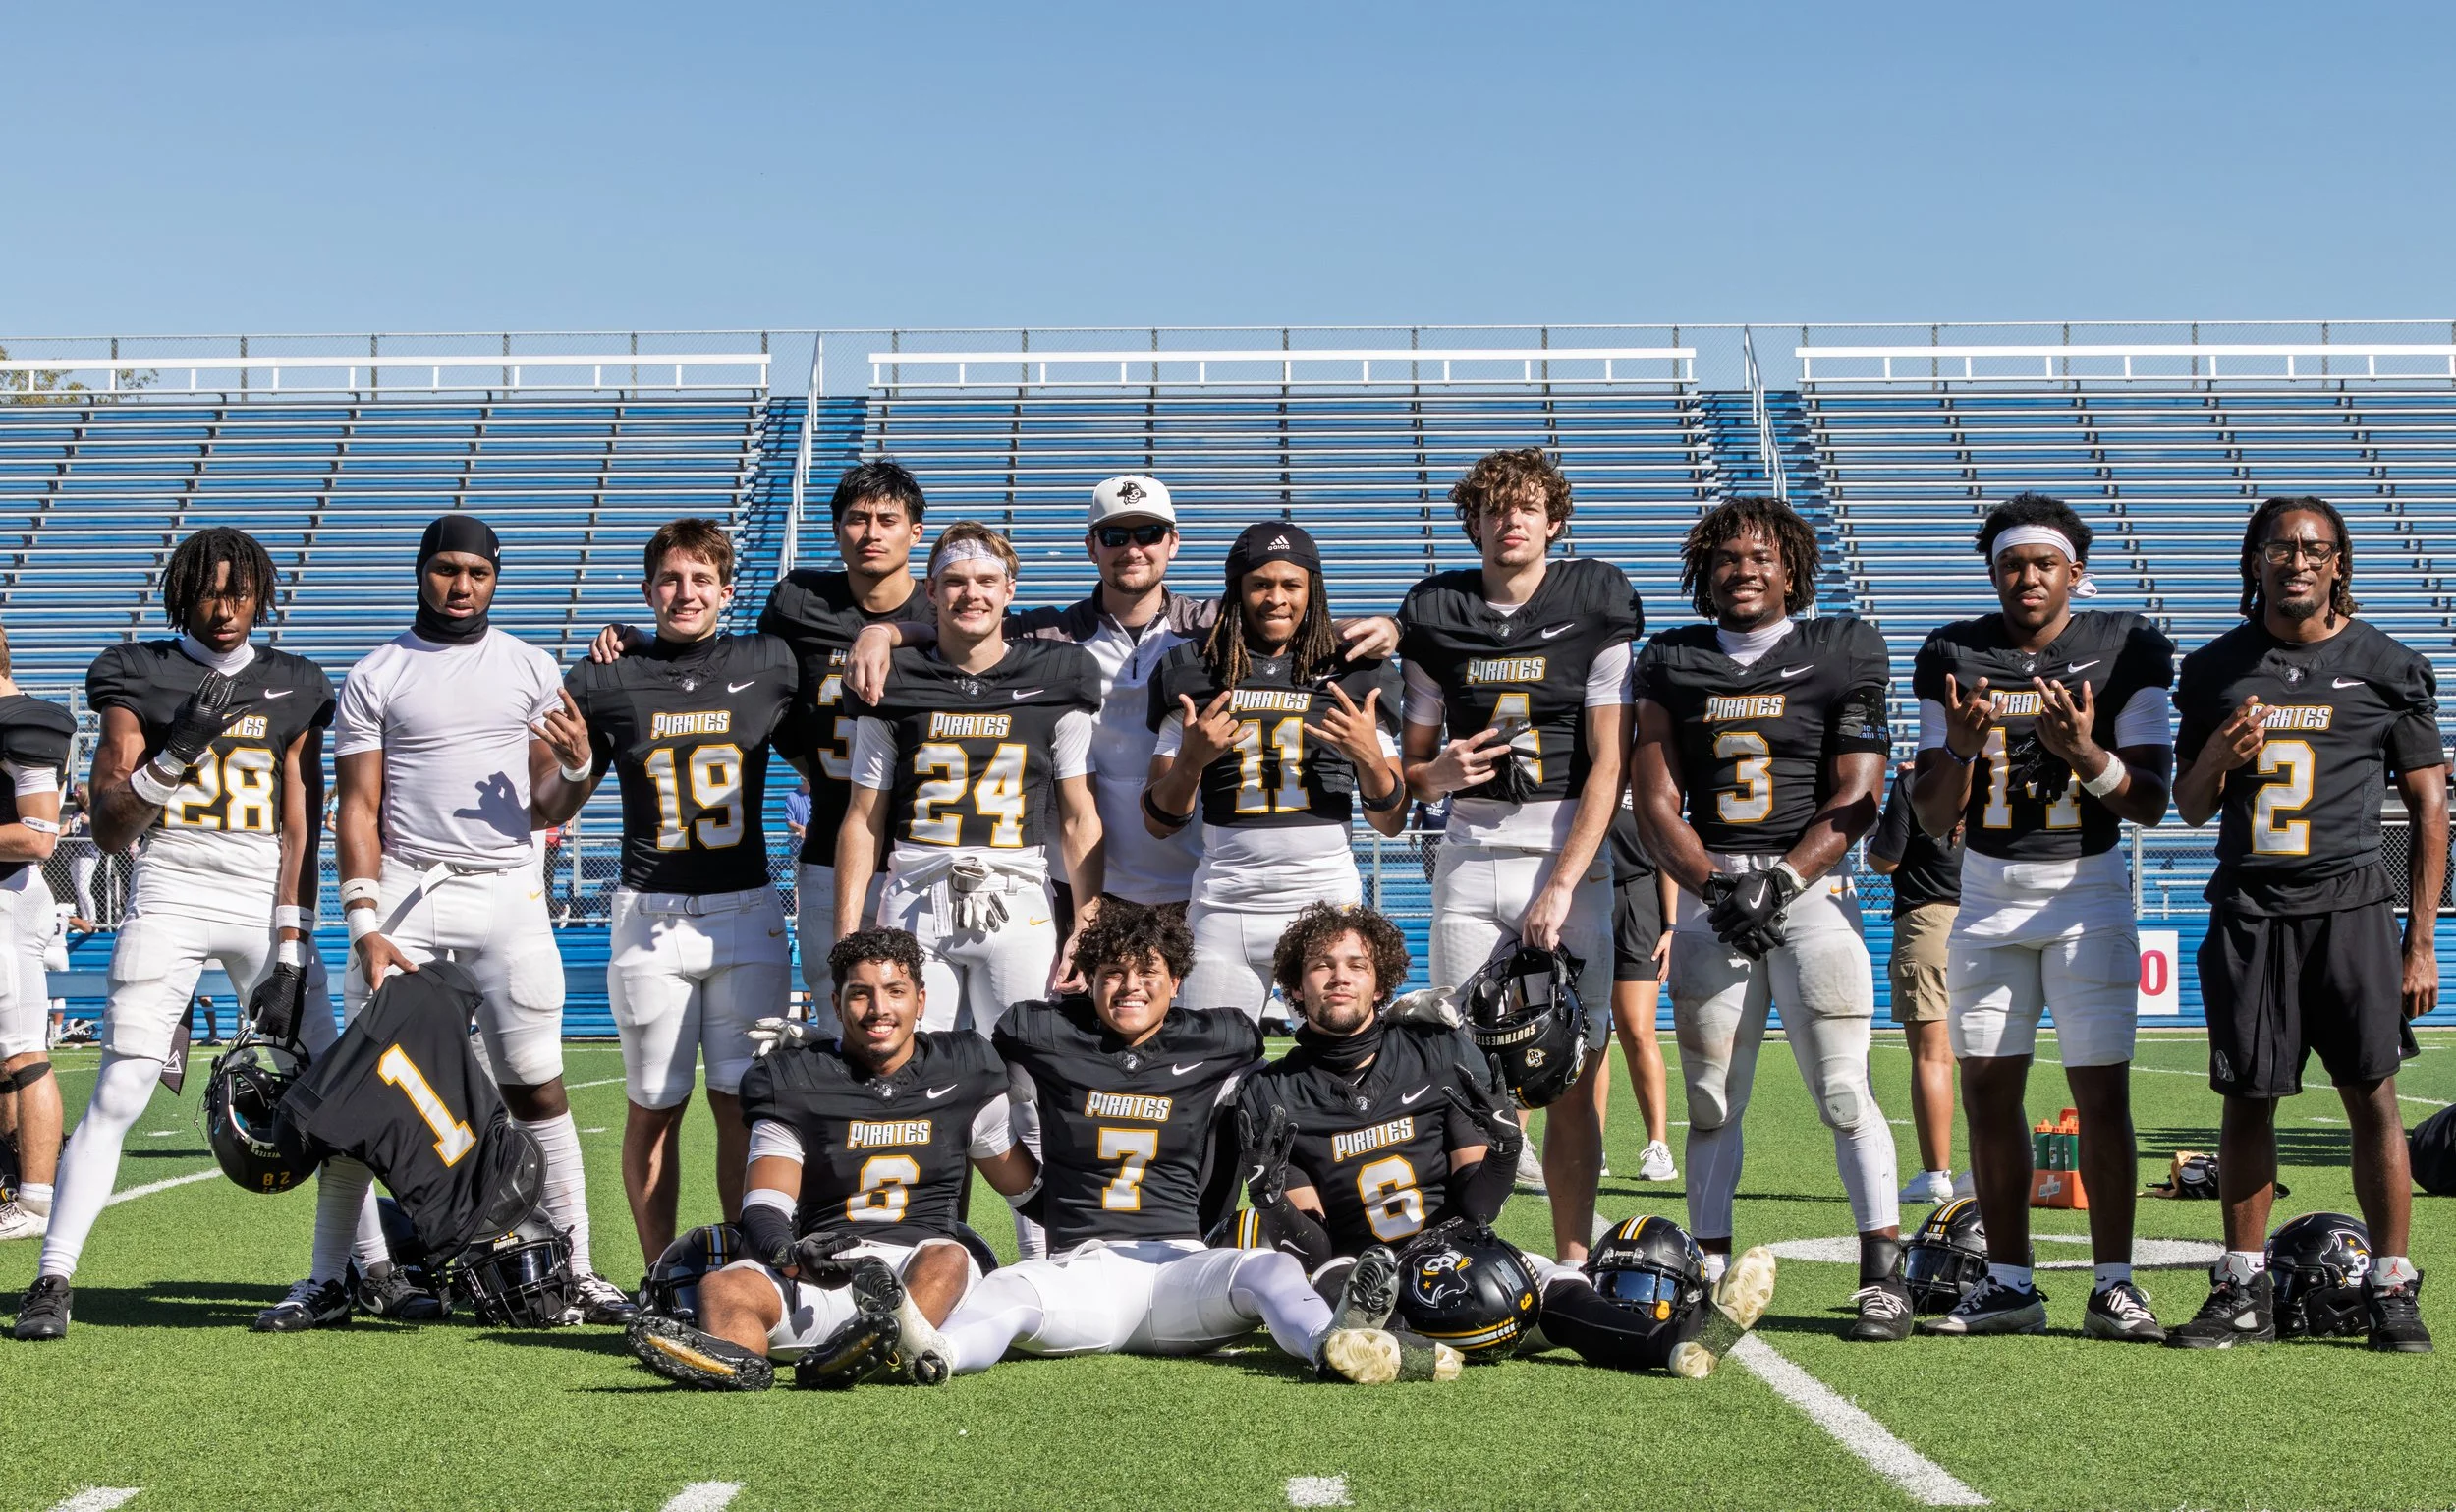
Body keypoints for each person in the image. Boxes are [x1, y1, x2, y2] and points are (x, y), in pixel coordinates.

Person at [14, 528, 382, 1339]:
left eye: (242, 592)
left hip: (261, 891)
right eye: (212, 591)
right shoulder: (136, 671)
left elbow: (301, 826)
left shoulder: (293, 682)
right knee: (120, 1088)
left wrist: (291, 945)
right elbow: (111, 828)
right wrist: (171, 753)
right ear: (181, 593)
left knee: (330, 1083)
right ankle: (52, 1277)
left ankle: (375, 1265)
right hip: (172, 880)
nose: (227, 608)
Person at [1234, 901, 1774, 1377]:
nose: (1339, 978)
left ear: (1382, 981)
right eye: (1321, 966)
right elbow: (1318, 1246)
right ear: (1295, 985)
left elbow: (1476, 1208)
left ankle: (1680, 1344)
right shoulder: (1272, 1089)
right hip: (1363, 1268)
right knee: (1337, 1280)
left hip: (1454, 1248)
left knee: (1555, 1282)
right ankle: (1403, 1351)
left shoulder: (1434, 1052)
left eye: (1357, 965)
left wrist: (1506, 1149)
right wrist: (1271, 1200)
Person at [909, 902, 1441, 1385]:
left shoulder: (1218, 1038)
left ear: (1176, 981)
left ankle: (1333, 1345)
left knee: (1268, 1267)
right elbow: (970, 1088)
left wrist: (1395, 1026)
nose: (1129, 986)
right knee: (1007, 1290)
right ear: (1088, 979)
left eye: (1147, 972)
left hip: (1180, 1267)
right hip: (1078, 1271)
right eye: (1112, 972)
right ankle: (933, 1353)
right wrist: (1032, 1196)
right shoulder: (1042, 1032)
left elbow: (1287, 1075)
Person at [846, 476, 1401, 925]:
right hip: (1080, 872)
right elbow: (966, 626)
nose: (1132, 549)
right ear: (1091, 546)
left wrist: (1392, 626)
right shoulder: (1048, 637)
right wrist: (886, 633)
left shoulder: (1213, 631)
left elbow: (1300, 624)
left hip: (1194, 871)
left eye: (1149, 533)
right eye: (1114, 536)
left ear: (1173, 543)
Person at [333, 514, 632, 1325]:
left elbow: (550, 801)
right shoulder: (378, 671)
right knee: (365, 1086)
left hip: (506, 889)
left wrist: (576, 766)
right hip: (407, 892)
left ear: (496, 577)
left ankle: (578, 1267)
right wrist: (362, 918)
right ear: (420, 571)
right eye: (445, 570)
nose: (460, 586)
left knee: (537, 1083)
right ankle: (351, 1272)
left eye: (477, 572)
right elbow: (356, 806)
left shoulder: (529, 666)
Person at [1629, 495, 1909, 1341]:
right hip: (1717, 891)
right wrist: (1718, 887)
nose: (1742, 570)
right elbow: (1653, 799)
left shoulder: (1841, 646)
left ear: (1792, 568)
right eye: (1725, 558)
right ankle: (1708, 1271)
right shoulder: (1672, 659)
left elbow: (1859, 792)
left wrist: (1780, 881)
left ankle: (1883, 1273)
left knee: (1841, 1087)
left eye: (1760, 557)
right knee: (1711, 1098)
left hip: (1810, 890)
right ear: (1702, 571)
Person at [2167, 495, 2443, 1353]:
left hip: (2353, 908)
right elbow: (2187, 803)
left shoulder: (2388, 664)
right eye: (2281, 547)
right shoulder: (2215, 669)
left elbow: (2432, 808)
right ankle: (2244, 1283)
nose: (2298, 561)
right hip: (2252, 908)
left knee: (2374, 1099)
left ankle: (2392, 1284)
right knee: (2248, 1098)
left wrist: (2420, 937)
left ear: (2339, 564)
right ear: (2255, 560)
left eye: (2314, 549)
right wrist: (2220, 753)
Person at [1909, 494, 2175, 1342]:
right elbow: (1926, 811)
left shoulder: (2123, 648)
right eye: (2013, 564)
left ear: (2075, 573)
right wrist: (1955, 744)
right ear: (1994, 573)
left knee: (2101, 1091)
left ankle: (2114, 1283)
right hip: (1985, 889)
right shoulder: (1954, 652)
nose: (2028, 577)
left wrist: (2085, 754)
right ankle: (2011, 1282)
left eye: (2044, 564)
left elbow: (2152, 802)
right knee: (1989, 1090)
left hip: (2085, 888)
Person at [1397, 448, 1636, 1260]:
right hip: (1469, 849)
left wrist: (1563, 881)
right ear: (1473, 524)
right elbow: (1413, 767)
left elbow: (1610, 763)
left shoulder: (1596, 601)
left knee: (1570, 1063)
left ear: (1553, 520)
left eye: (1527, 506)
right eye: (1495, 508)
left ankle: (1572, 1259)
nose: (1511, 520)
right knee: (1461, 1066)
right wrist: (1437, 773)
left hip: (1563, 852)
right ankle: (1466, 1251)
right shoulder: (1436, 611)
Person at [625, 927, 1039, 1392]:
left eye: (895, 992)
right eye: (860, 994)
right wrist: (789, 1254)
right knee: (725, 1287)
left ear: (921, 1001)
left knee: (949, 1256)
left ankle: (876, 1345)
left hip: (916, 1268)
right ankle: (737, 1363)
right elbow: (764, 1203)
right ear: (837, 1003)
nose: (879, 1009)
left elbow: (1023, 1188)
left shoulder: (964, 1071)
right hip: (822, 1266)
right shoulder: (797, 1079)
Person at [546, 518, 801, 1269]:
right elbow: (555, 806)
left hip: (747, 910)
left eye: (700, 578)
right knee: (655, 1106)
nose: (684, 592)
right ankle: (661, 1275)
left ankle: (746, 1268)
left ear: (727, 588)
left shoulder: (768, 661)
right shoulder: (606, 673)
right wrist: (573, 765)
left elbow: (828, 748)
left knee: (742, 1108)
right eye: (669, 578)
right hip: (649, 912)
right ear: (647, 588)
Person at [590, 460, 924, 1027]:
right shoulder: (800, 601)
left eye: (887, 520)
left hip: (925, 852)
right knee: (839, 1023)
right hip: (830, 849)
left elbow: (982, 640)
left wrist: (887, 631)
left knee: (934, 1030)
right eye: (857, 519)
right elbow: (725, 665)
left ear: (915, 532)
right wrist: (644, 640)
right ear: (836, 527)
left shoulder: (946, 605)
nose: (871, 533)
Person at [835, 523, 1104, 1028]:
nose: (972, 593)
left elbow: (1078, 815)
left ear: (1009, 591)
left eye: (986, 580)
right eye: (956, 581)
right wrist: (849, 934)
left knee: (1025, 1076)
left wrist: (1085, 923)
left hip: (1017, 894)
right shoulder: (896, 678)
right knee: (912, 1064)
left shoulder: (1061, 674)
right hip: (915, 896)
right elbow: (863, 819)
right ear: (932, 591)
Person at [1143, 522, 1406, 1020]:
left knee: (1340, 1070)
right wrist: (1192, 762)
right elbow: (1159, 821)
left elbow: (1391, 819)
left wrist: (1369, 756)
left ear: (1313, 590)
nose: (1276, 598)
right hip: (1227, 899)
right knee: (1213, 1066)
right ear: (1238, 590)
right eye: (1261, 584)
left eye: (1291, 585)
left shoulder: (1354, 670)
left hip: (1327, 897)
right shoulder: (1196, 669)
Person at [0, 630, 72, 1244]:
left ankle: (36, 1199)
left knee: (24, 1050)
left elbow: (37, 836)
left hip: (9, 898)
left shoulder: (23, 724)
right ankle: (10, 1182)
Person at [1866, 760, 1964, 1207]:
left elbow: (1884, 859)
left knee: (1932, 1056)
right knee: (1987, 1053)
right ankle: (1985, 1166)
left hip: (1929, 919)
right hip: (1991, 917)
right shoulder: (2002, 771)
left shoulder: (1914, 780)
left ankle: (1936, 1173)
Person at [1605, 804, 1679, 1184]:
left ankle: (1659, 1146)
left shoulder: (1646, 778)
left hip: (1638, 904)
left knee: (1637, 1029)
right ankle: (1592, 1145)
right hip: (1586, 903)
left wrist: (1670, 927)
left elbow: (1667, 858)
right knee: (1590, 1036)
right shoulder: (1581, 772)